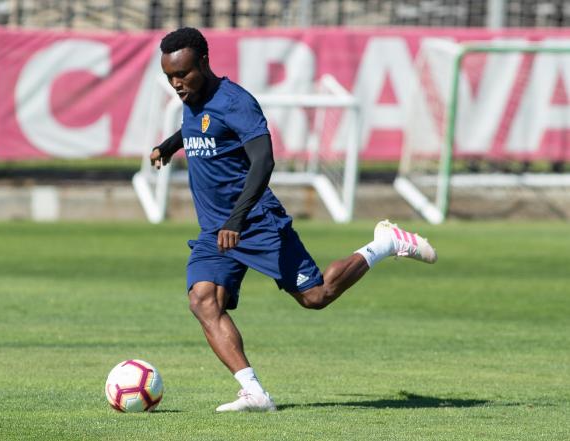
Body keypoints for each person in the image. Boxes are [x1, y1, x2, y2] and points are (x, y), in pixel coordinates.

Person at [150, 27, 437, 412]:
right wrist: (169, 146)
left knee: (316, 296)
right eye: (170, 76)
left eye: (182, 73)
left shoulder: (237, 102)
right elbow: (198, 128)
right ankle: (254, 392)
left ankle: (384, 242)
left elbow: (263, 161)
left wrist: (237, 218)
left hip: (254, 222)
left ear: (204, 62)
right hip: (216, 231)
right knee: (202, 301)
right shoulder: (192, 98)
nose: (176, 83)